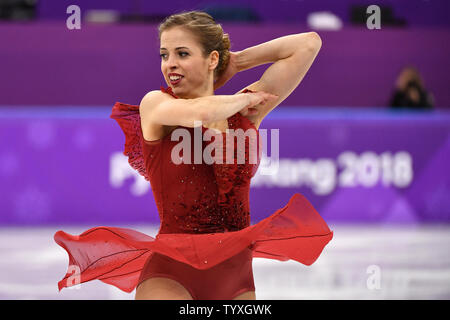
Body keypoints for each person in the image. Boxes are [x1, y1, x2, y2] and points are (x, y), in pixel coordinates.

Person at [54, 10, 333, 300]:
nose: (170, 64)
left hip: (236, 278)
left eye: (182, 53)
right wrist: (245, 99)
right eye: (164, 55)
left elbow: (308, 44)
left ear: (212, 59)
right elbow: (200, 111)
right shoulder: (157, 105)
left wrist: (236, 62)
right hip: (171, 275)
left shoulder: (242, 112)